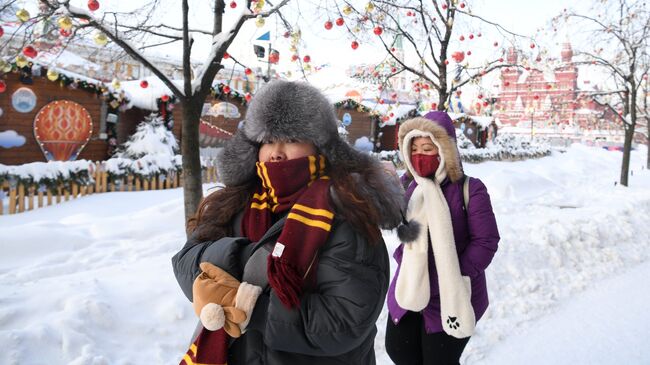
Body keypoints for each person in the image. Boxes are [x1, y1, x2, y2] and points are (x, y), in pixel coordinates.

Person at [172, 80, 405, 365]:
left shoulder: (347, 213)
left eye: (291, 139)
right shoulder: (234, 201)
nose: (276, 152)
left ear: (319, 147)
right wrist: (241, 256)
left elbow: (343, 320)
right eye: (267, 141)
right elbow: (185, 260)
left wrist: (247, 306)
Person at [385, 111, 500, 365]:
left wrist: (448, 274)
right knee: (399, 351)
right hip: (410, 286)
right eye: (414, 148)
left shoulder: (471, 189)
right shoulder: (407, 187)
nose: (420, 155)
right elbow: (388, 221)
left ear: (445, 149)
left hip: (452, 293)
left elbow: (486, 242)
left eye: (428, 148)